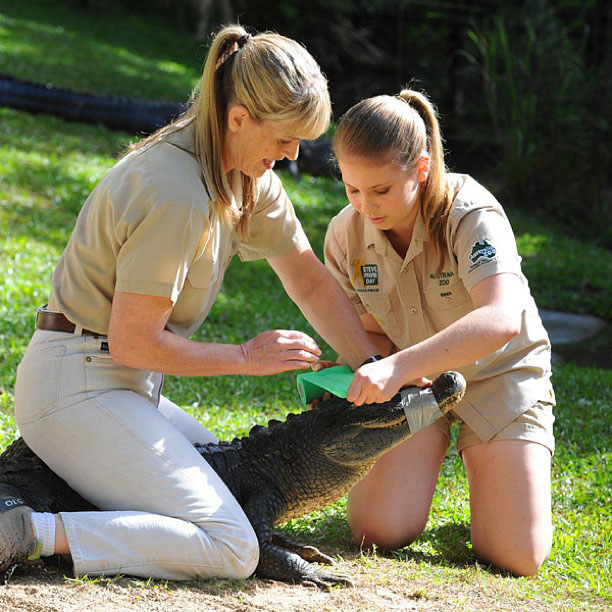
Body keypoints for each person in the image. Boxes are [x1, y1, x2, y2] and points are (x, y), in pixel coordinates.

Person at [0, 25, 380, 581]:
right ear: (238, 118)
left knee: (241, 492)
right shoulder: (176, 192)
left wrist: (374, 367)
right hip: (73, 389)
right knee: (231, 546)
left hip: (124, 386)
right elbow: (136, 341)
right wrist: (247, 358)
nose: (294, 154)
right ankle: (27, 533)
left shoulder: (245, 175)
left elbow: (310, 281)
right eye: (285, 138)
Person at [325, 89, 555, 576]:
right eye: (352, 189)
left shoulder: (471, 214)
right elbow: (373, 336)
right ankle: (449, 463)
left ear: (423, 168)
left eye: (382, 190)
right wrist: (352, 372)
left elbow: (500, 319)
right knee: (376, 532)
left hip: (500, 374)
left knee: (516, 557)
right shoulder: (345, 236)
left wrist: (397, 365)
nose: (365, 205)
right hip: (417, 386)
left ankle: (497, 482)